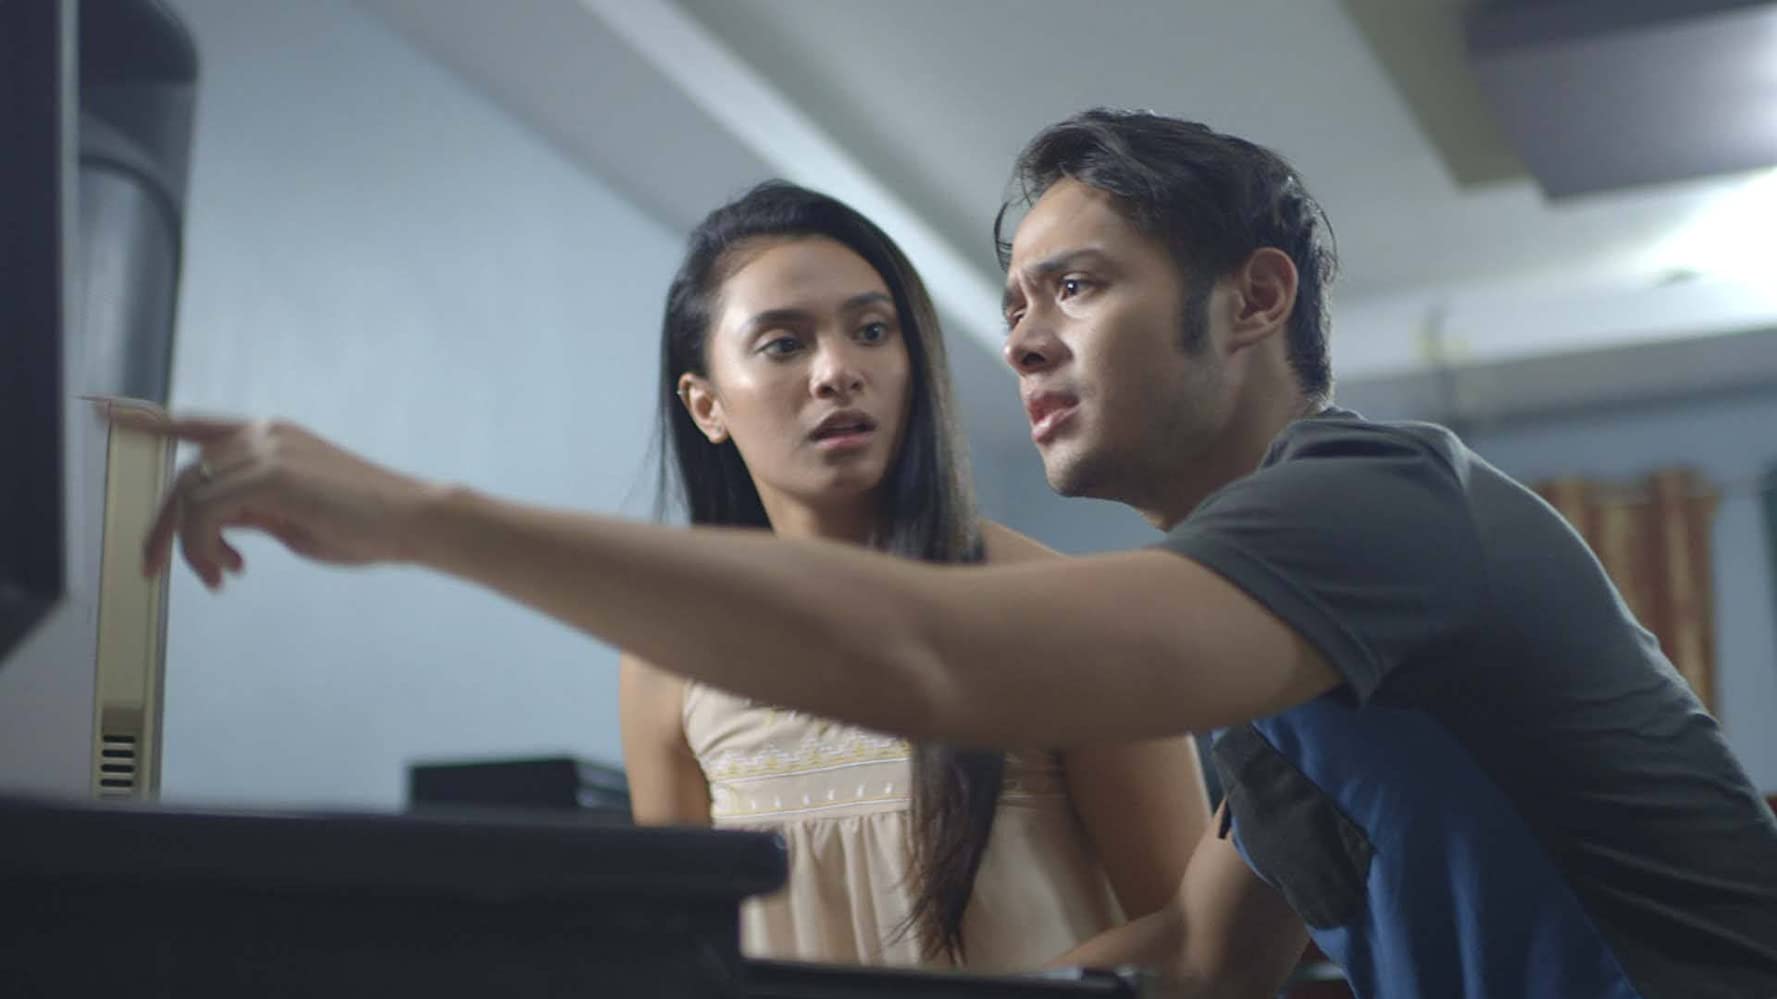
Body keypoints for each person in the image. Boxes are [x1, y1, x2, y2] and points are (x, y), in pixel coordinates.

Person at [114, 109, 1777, 998]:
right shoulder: (1276, 659)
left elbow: (930, 655)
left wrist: (419, 515)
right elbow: (1199, 960)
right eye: (1015, 301)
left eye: (1079, 286)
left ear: (1254, 299)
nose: (1024, 339)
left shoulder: (1377, 503)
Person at [617, 180, 1207, 967]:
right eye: (784, 344)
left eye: (871, 330)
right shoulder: (669, 656)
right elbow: (678, 958)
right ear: (706, 406)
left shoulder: (1069, 616)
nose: (837, 371)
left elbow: (1198, 936)